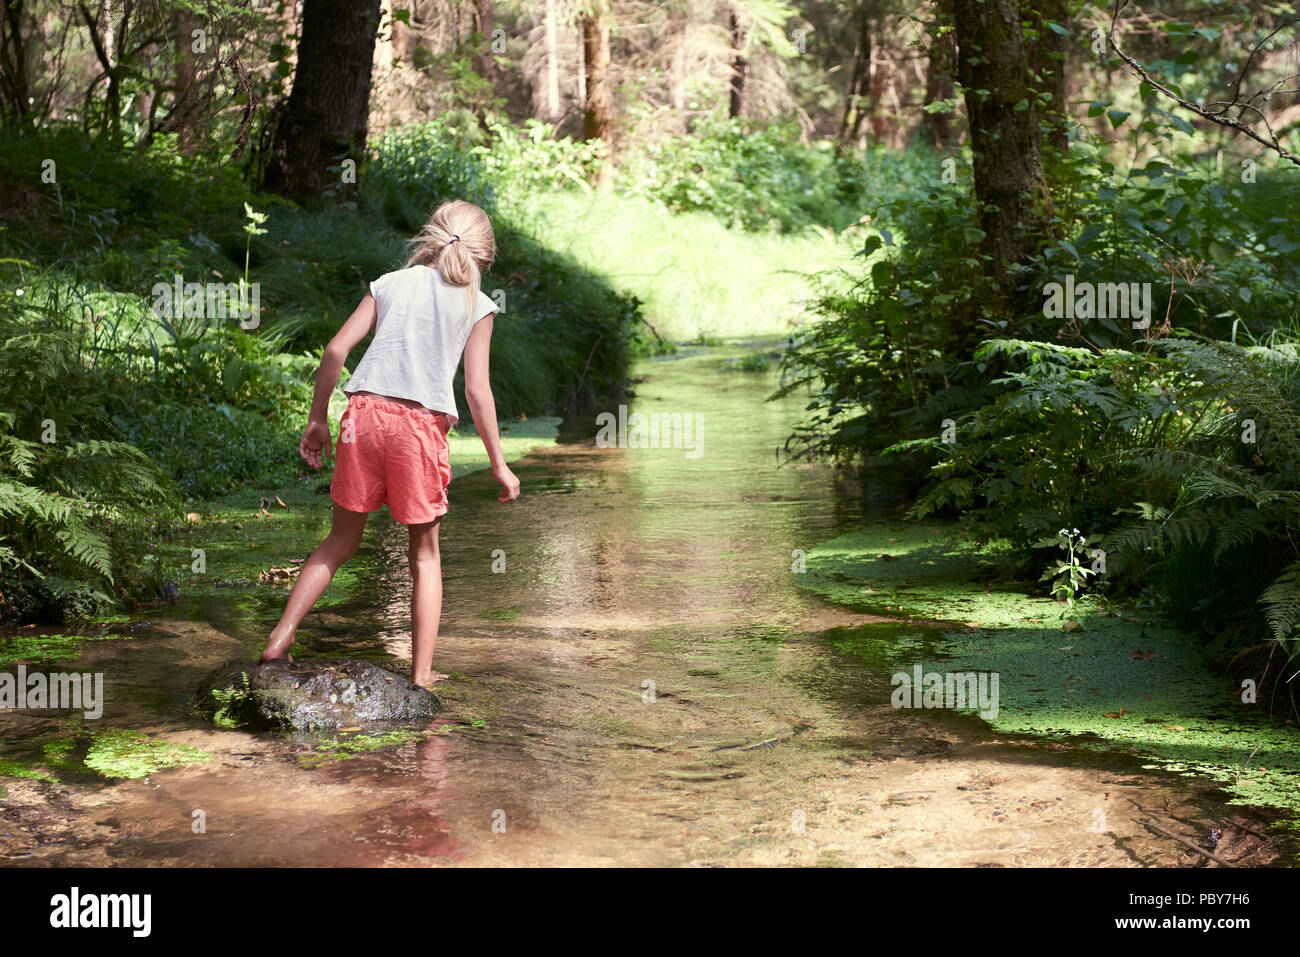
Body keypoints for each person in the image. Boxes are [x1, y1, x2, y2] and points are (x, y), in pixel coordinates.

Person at [259, 200, 520, 687]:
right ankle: (421, 677)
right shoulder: (478, 305)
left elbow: (336, 349)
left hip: (362, 416)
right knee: (424, 555)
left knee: (340, 540)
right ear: (483, 257)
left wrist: (318, 421)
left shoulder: (390, 282)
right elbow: (477, 391)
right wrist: (499, 465)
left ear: (431, 238)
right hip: (416, 428)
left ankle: (280, 638)